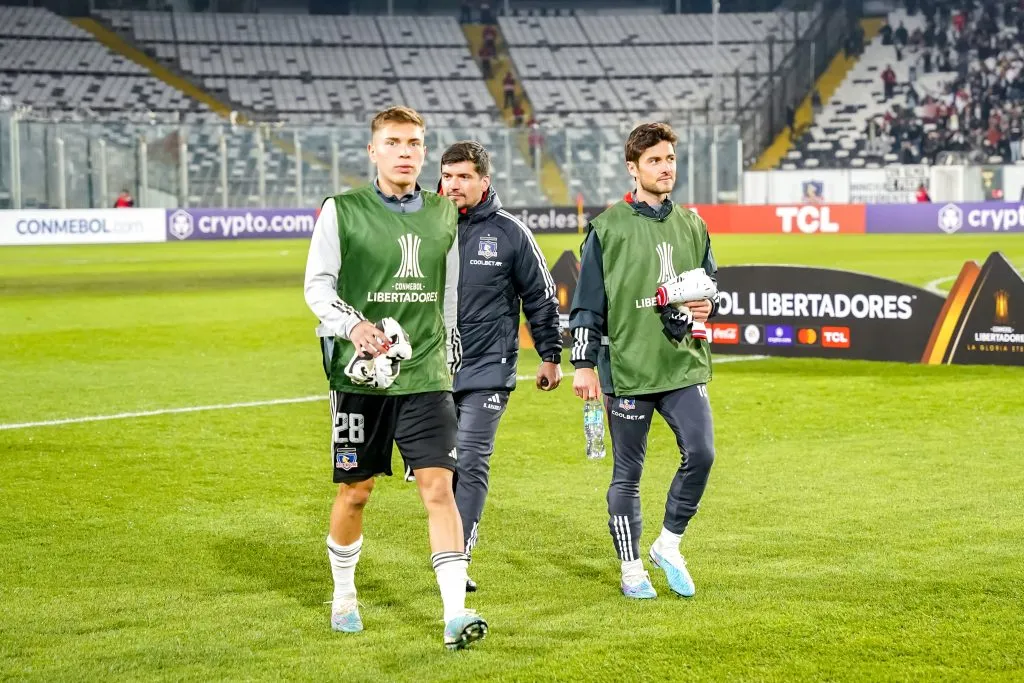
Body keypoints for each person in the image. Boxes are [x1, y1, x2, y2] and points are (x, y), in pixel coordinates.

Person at [303, 106, 487, 650]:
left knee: (439, 488)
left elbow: (449, 291)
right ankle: (344, 595)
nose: (404, 152)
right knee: (356, 492)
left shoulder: (443, 213)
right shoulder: (341, 210)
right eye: (393, 142)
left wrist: (449, 351)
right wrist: (351, 325)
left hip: (426, 372)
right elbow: (317, 285)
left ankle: (455, 614)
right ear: (373, 151)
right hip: (361, 378)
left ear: (423, 152)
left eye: (413, 143)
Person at [569, 122, 719, 600]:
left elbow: (710, 284)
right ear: (633, 168)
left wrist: (708, 304)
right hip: (628, 369)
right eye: (654, 160)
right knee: (627, 475)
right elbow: (586, 305)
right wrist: (584, 364)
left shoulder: (693, 224)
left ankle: (668, 545)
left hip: (682, 362)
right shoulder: (607, 228)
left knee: (702, 454)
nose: (665, 168)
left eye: (670, 159)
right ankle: (631, 568)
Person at [438, 140, 562, 592]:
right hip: (433, 369)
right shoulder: (428, 228)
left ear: (484, 181)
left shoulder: (510, 232)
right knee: (441, 470)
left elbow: (541, 297)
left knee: (471, 460)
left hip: (489, 367)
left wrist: (550, 355)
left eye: (463, 176)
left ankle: (457, 561)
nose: (453, 185)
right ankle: (449, 548)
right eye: (447, 176)